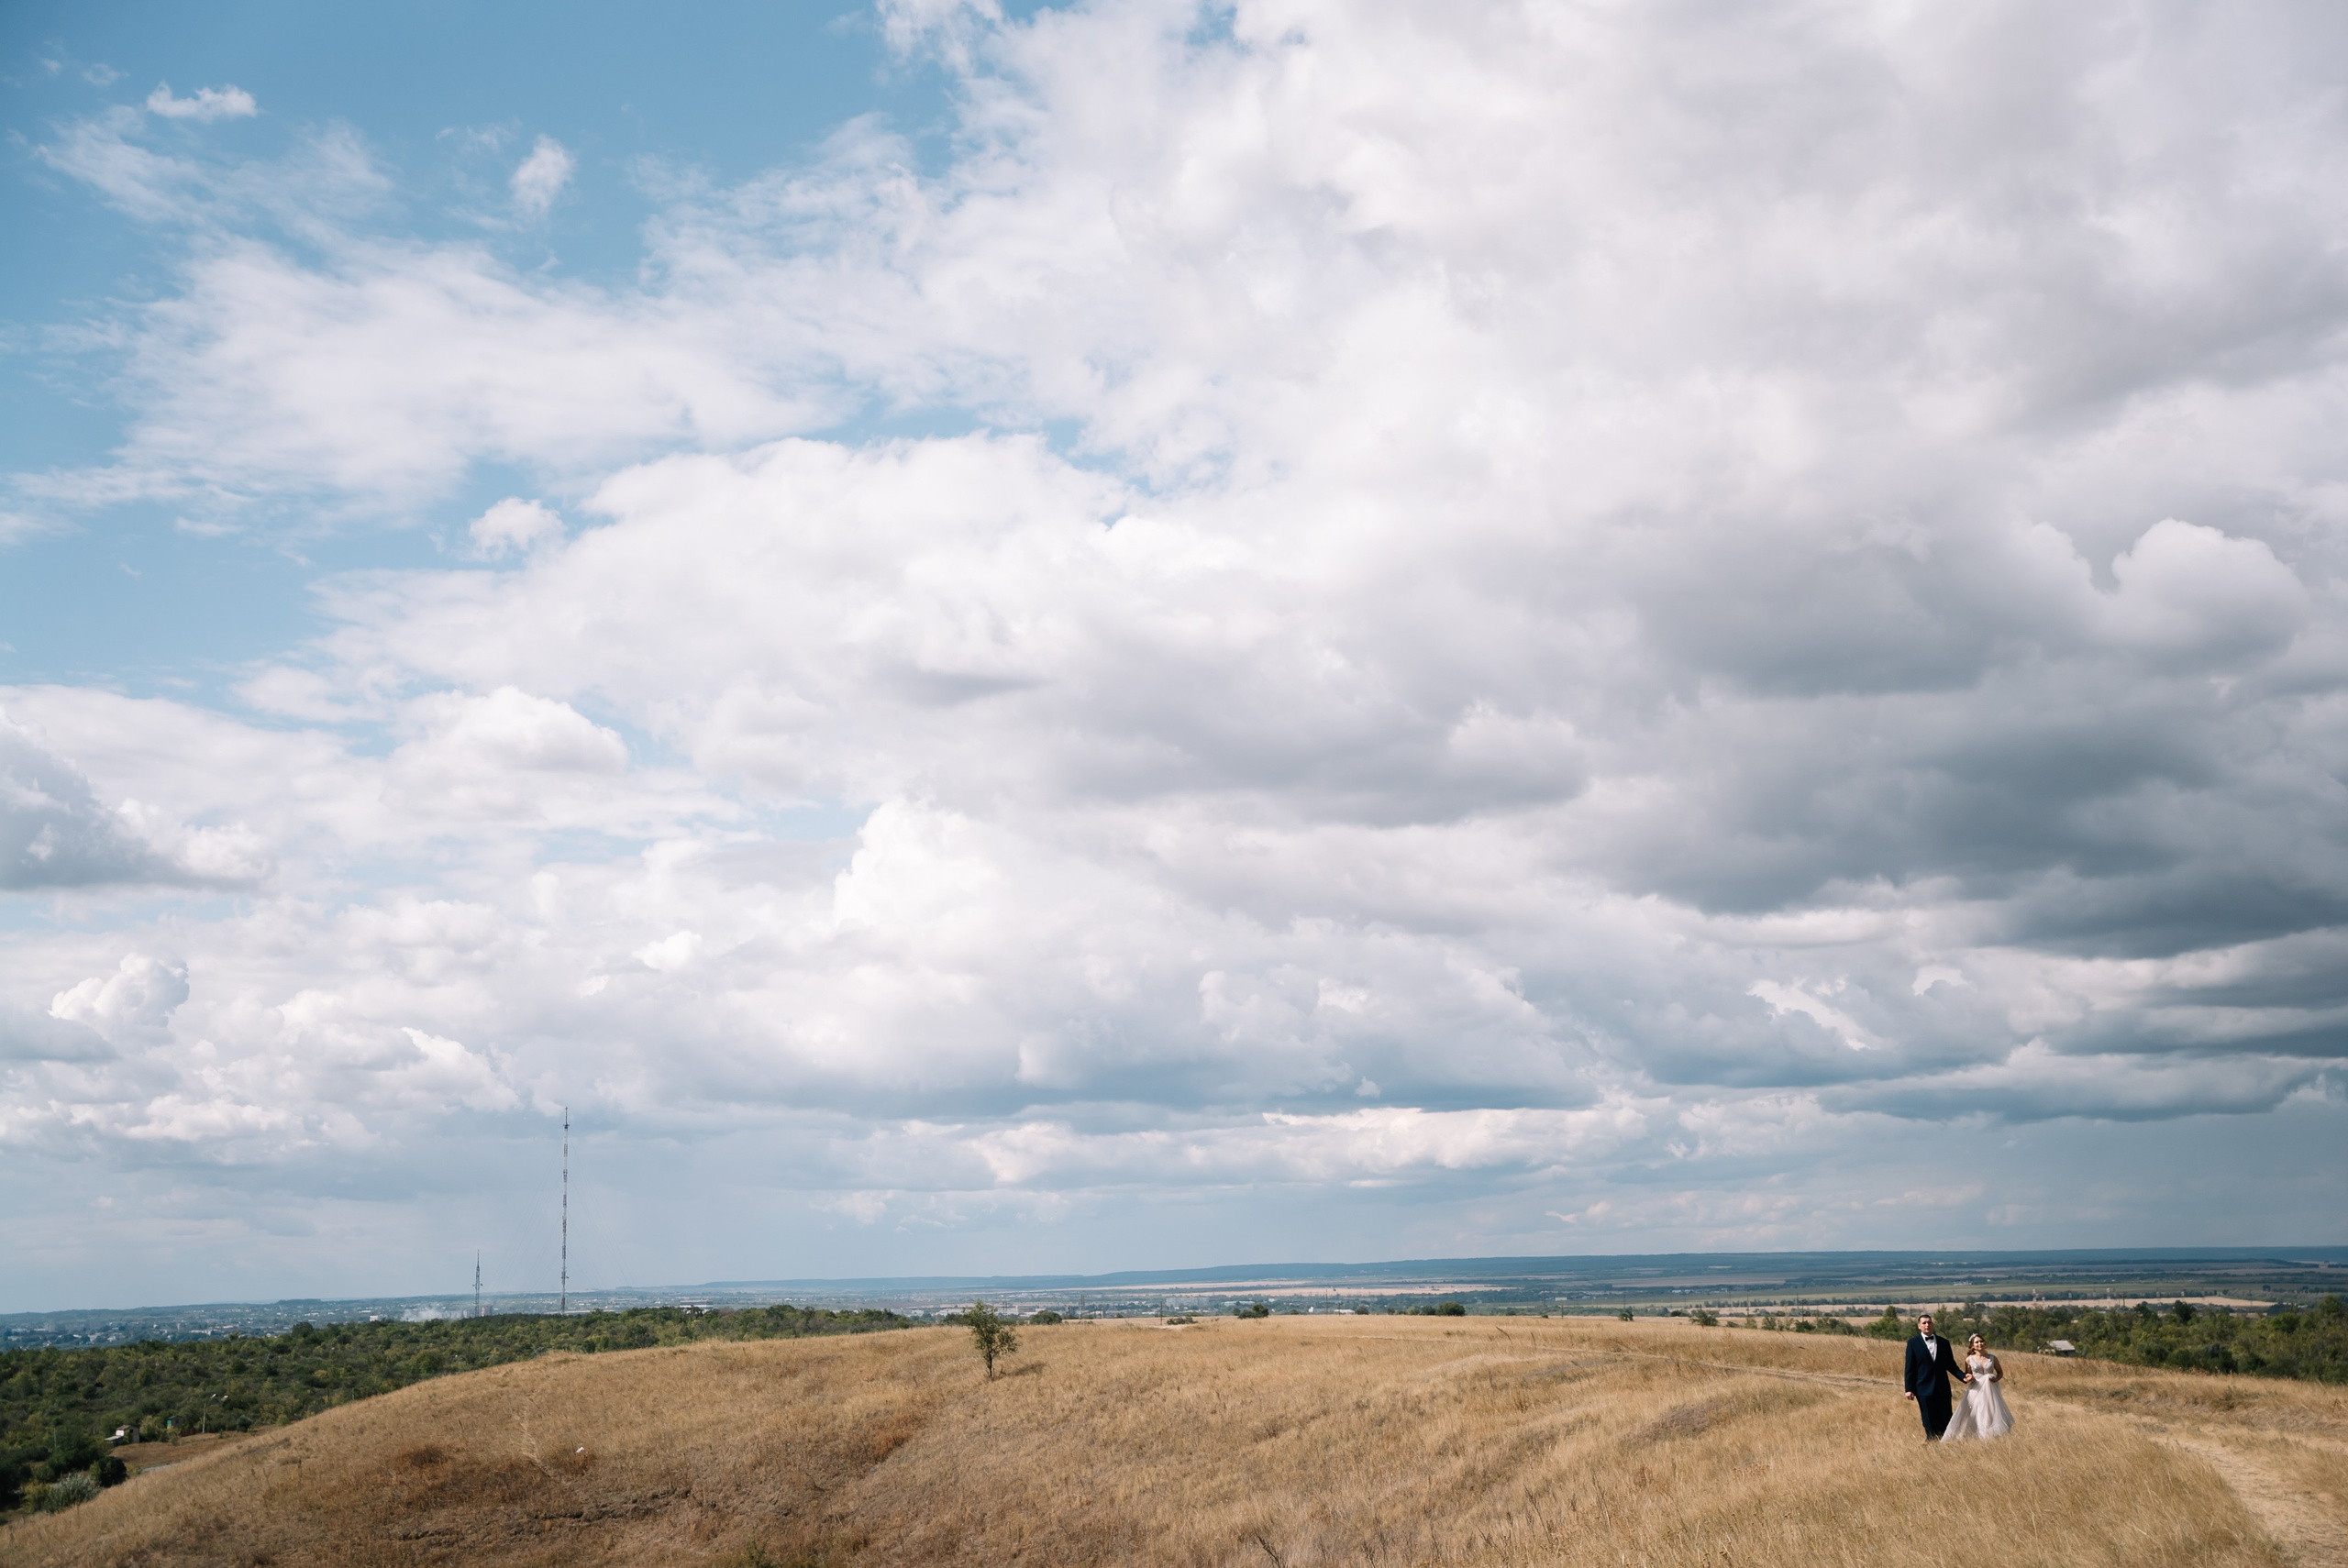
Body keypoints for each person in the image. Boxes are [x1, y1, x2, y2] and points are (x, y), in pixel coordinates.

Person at [1902, 1311, 1968, 1441]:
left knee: (1946, 1417)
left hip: (1942, 1387)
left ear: (1933, 1325)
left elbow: (1951, 1365)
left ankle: (1946, 1442)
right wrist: (1909, 1389)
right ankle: (1931, 1442)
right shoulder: (1913, 1343)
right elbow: (1909, 1368)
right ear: (1919, 1326)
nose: (1927, 1325)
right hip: (1923, 1388)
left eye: (1929, 1322)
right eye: (1924, 1323)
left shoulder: (1944, 1343)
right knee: (1928, 1418)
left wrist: (1963, 1377)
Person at [1940, 1333, 2014, 1441]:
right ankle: (1979, 1435)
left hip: (1991, 1390)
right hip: (1976, 1389)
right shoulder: (1969, 1359)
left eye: (1981, 1341)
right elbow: (1968, 1374)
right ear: (1972, 1346)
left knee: (1991, 1411)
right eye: (1977, 1342)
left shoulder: (1992, 1358)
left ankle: (1992, 1435)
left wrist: (1996, 1379)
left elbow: (2000, 1372)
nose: (1980, 1344)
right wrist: (1969, 1377)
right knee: (1977, 1412)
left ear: (1985, 1343)